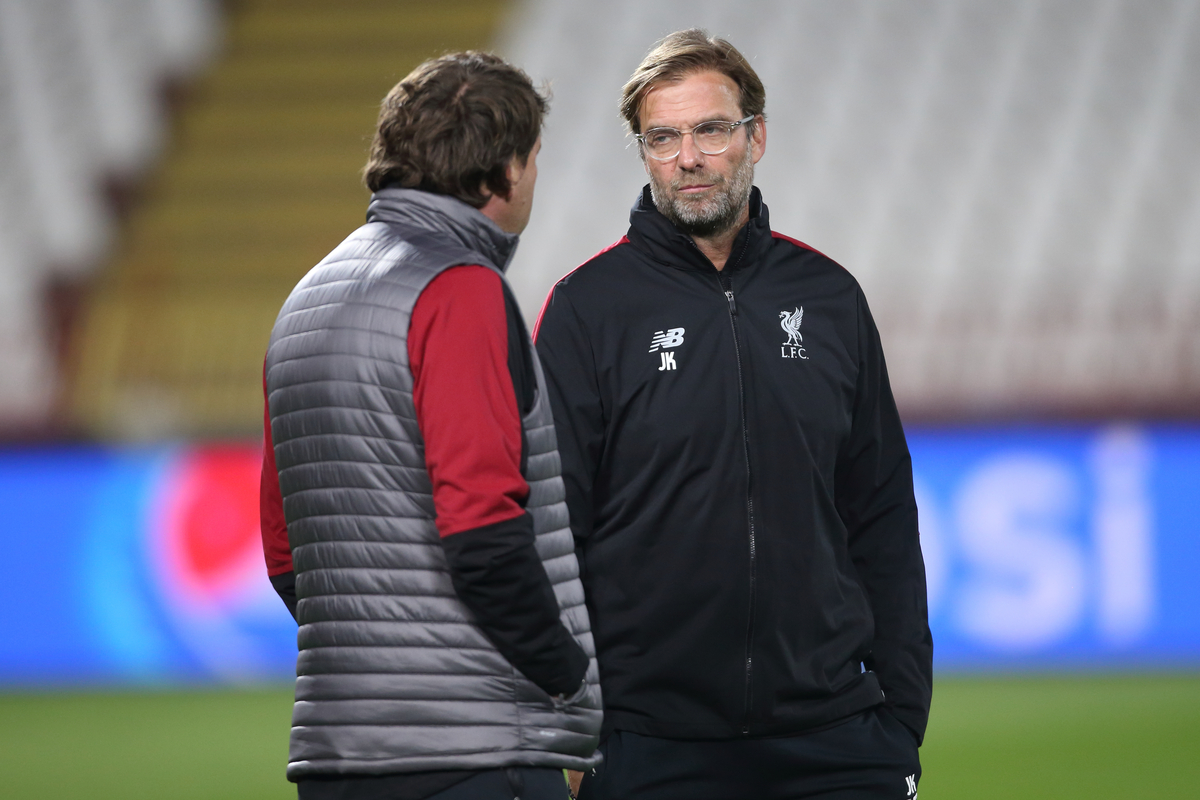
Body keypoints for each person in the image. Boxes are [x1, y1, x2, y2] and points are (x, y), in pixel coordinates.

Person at [534, 30, 932, 800]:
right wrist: (577, 732)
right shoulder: (587, 310)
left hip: (837, 740)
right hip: (651, 744)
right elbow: (552, 535)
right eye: (663, 137)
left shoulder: (831, 299)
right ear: (643, 150)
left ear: (756, 136)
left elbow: (881, 512)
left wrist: (901, 719)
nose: (689, 157)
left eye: (711, 129)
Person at [259, 51, 602, 800]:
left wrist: (382, 663)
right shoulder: (459, 290)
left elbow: (287, 558)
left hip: (337, 756)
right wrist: (568, 681)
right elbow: (483, 539)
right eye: (534, 159)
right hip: (474, 753)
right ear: (502, 173)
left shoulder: (305, 300)